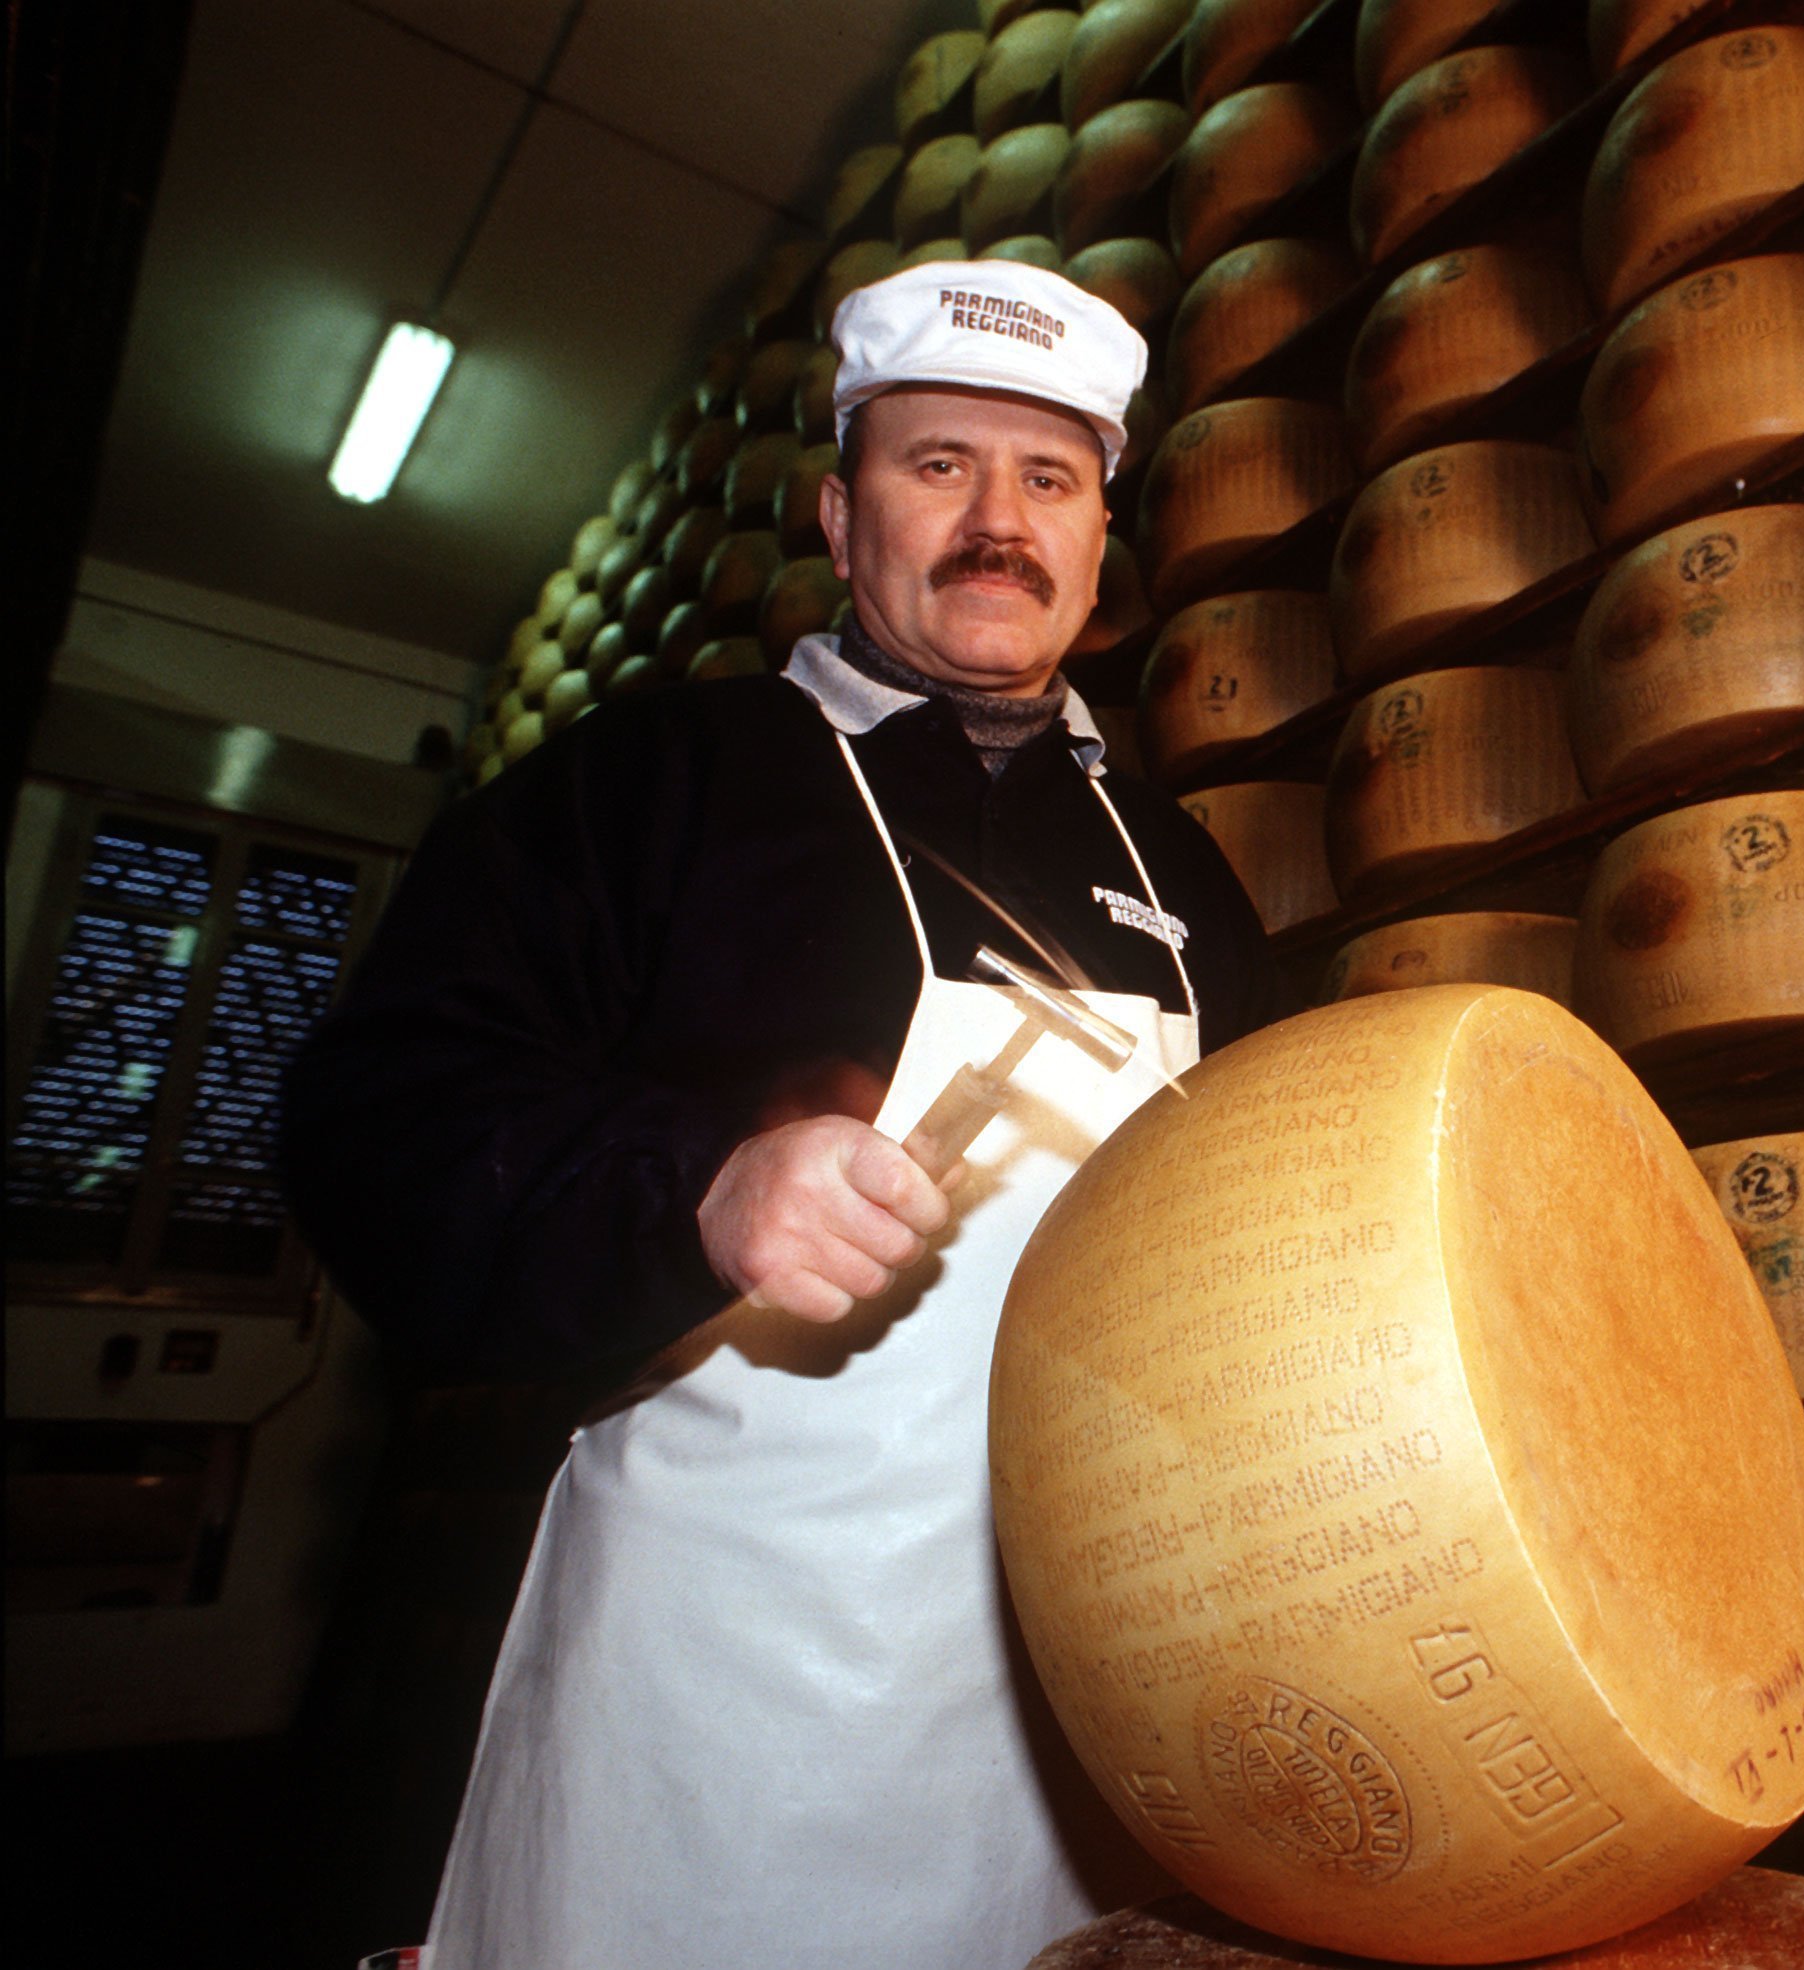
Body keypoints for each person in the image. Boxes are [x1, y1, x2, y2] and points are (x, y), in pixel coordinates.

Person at [284, 257, 1281, 1968]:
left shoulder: (1182, 871)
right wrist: (696, 1185)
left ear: (1103, 540)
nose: (996, 521)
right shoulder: (647, 783)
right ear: (838, 511)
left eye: (1049, 479)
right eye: (936, 464)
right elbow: (375, 1117)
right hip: (726, 1684)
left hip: (1096, 1667)